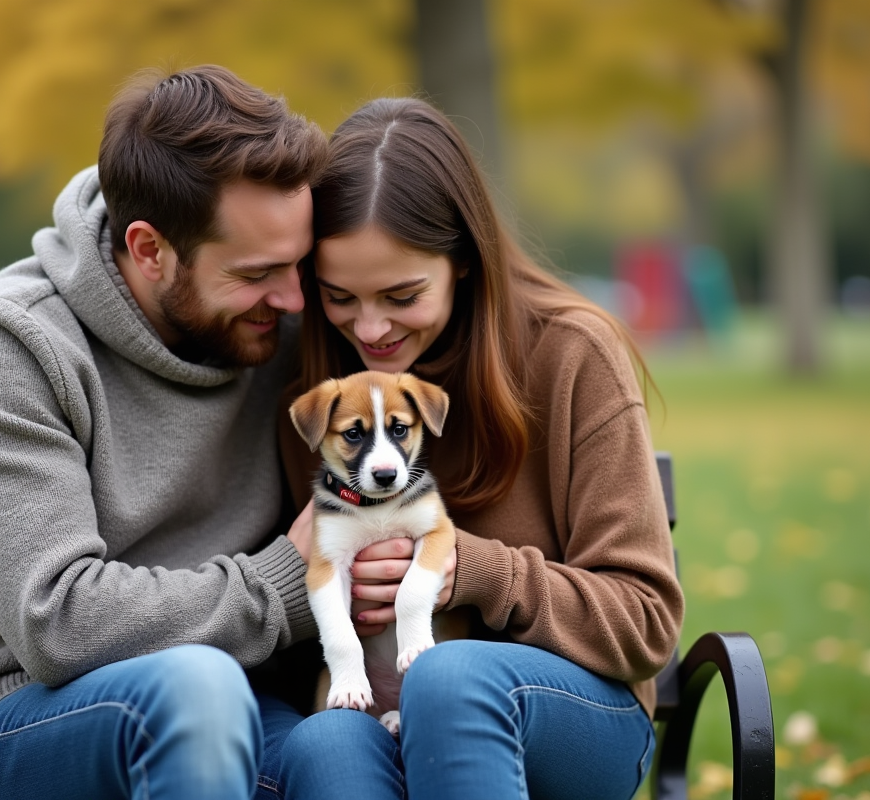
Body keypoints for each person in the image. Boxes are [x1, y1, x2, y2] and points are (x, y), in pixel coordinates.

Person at [0, 65, 332, 800]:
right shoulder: (12, 343)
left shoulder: (278, 326)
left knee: (343, 754)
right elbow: (57, 621)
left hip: (238, 700)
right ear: (149, 249)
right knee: (198, 691)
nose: (290, 300)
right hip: (14, 715)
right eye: (258, 273)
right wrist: (284, 582)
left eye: (299, 265)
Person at [271, 97, 686, 800]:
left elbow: (645, 621)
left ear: (463, 259)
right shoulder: (316, 389)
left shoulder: (571, 354)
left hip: (574, 713)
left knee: (449, 679)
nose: (368, 327)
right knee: (328, 744)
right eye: (339, 296)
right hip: (374, 700)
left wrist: (476, 571)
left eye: (402, 294)